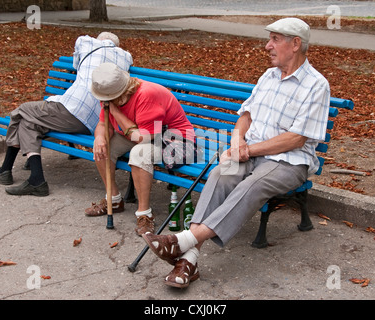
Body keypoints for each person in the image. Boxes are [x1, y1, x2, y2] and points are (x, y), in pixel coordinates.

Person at [142, 17, 331, 289]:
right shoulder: (269, 76)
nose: (267, 46)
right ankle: (189, 260)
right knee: (221, 174)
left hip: (289, 162)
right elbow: (246, 115)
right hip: (250, 153)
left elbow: (296, 138)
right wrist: (235, 141)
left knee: (253, 184)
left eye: (275, 39)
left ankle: (182, 241)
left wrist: (248, 148)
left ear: (296, 44)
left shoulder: (316, 85)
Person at [0, 32, 133, 197]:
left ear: (99, 40)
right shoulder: (125, 58)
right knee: (29, 123)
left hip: (73, 110)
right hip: (94, 122)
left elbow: (77, 60)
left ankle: (5, 170)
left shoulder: (87, 43)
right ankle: (36, 179)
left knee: (22, 110)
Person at [87, 62, 197, 236]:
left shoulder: (147, 95)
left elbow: (142, 137)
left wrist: (115, 112)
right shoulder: (109, 94)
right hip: (136, 133)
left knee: (139, 154)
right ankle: (114, 199)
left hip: (169, 138)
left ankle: (145, 214)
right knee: (102, 147)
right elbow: (103, 124)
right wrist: (100, 137)